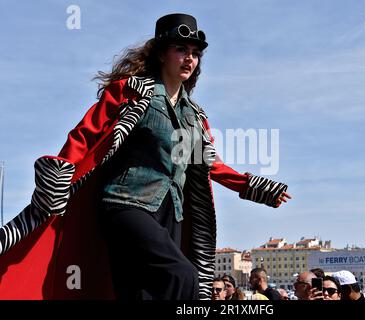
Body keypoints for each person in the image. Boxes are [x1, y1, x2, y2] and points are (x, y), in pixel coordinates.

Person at [0, 13, 291, 300]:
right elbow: (85, 135)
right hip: (125, 205)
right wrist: (59, 172)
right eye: (181, 50)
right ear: (162, 54)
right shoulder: (131, 92)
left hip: (172, 213)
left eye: (195, 53)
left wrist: (253, 186)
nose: (190, 58)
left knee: (140, 293)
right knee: (183, 275)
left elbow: (210, 164)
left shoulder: (195, 116)